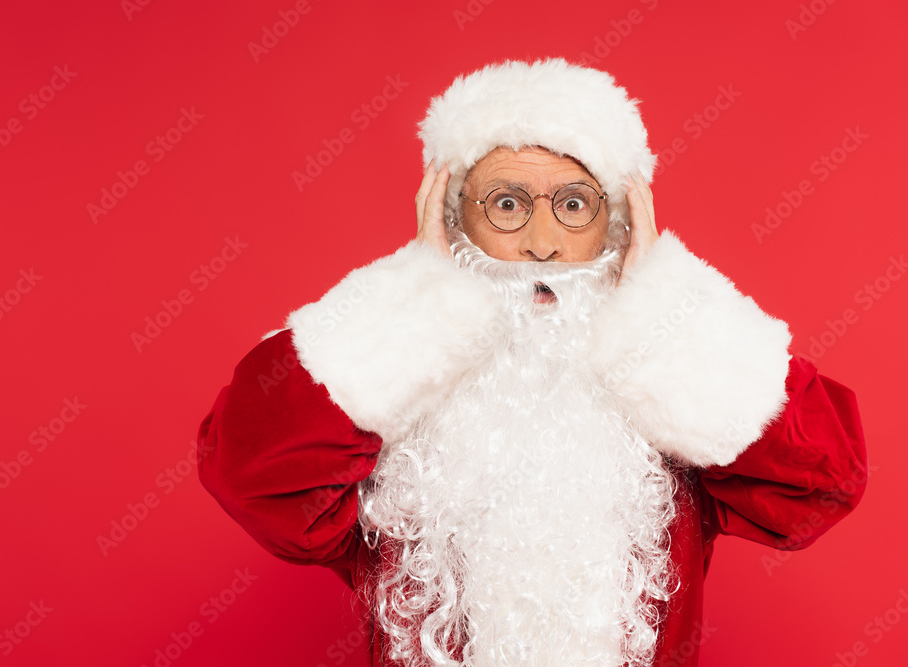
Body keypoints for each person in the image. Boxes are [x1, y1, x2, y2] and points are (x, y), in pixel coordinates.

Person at [197, 58, 866, 666]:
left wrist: (669, 306)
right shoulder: (386, 433)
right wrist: (408, 301)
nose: (542, 244)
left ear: (618, 225)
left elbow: (826, 480)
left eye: (574, 205)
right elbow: (248, 471)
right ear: (453, 222)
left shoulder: (676, 410)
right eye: (507, 205)